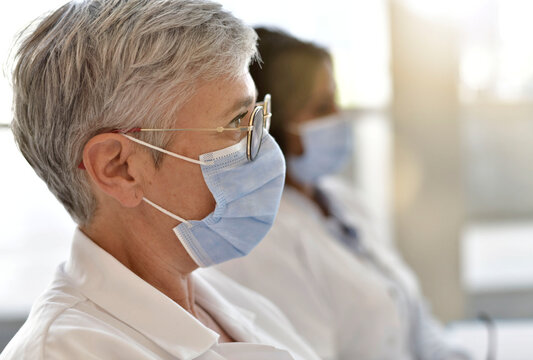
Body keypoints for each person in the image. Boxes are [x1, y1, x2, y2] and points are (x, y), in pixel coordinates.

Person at [0, 3, 320, 360]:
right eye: (235, 123)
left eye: (256, 117)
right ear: (119, 168)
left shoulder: (232, 302)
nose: (263, 147)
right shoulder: (66, 351)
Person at [217, 27, 471, 360]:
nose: (340, 118)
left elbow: (414, 320)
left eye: (336, 101)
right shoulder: (259, 240)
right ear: (270, 124)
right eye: (322, 108)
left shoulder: (342, 200)